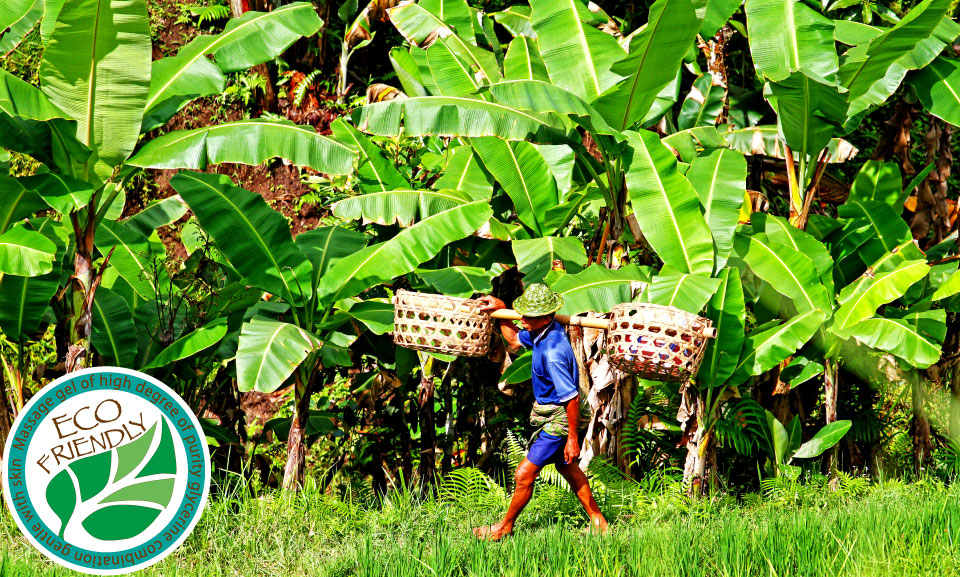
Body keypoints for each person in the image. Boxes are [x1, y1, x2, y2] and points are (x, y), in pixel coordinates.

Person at [472, 283, 608, 541]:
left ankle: (504, 528)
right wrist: (501, 307)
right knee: (567, 468)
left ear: (546, 317)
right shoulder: (542, 331)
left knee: (524, 473)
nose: (521, 319)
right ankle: (599, 521)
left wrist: (571, 439)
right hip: (552, 412)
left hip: (560, 416)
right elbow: (512, 341)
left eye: (528, 316)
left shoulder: (554, 351)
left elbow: (571, 399)